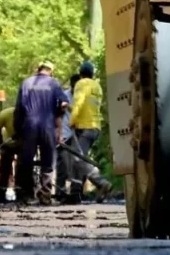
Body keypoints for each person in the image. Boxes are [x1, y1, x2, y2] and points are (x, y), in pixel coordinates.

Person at [13, 60, 69, 205]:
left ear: (38, 69)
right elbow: (63, 104)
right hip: (47, 126)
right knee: (48, 161)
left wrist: (18, 130)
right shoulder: (54, 83)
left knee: (26, 162)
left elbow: (18, 110)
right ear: (51, 71)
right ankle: (45, 195)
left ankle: (27, 195)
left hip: (29, 126)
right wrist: (58, 127)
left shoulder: (26, 83)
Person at [70, 60, 113, 203]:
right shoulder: (97, 86)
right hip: (95, 126)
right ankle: (75, 193)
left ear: (81, 74)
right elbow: (91, 106)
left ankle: (101, 182)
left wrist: (72, 120)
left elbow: (79, 102)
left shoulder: (81, 84)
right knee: (77, 159)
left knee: (78, 158)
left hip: (84, 126)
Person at [56, 73, 85, 204]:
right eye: (75, 86)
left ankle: (77, 192)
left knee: (78, 163)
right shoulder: (64, 95)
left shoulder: (84, 96)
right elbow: (59, 115)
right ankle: (60, 192)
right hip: (65, 132)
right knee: (62, 163)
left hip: (79, 132)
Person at [0, 105, 19, 198]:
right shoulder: (5, 114)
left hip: (23, 143)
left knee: (22, 167)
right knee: (5, 168)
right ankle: (1, 190)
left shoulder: (27, 114)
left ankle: (21, 190)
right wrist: (1, 144)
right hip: (7, 142)